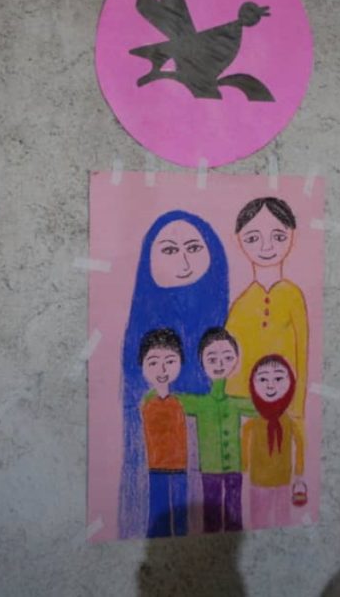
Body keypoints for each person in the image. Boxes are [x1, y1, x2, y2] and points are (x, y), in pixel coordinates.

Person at [119, 211, 230, 538]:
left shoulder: (223, 319)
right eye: (169, 250)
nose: (184, 262)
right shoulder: (141, 327)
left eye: (194, 248)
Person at [225, 197, 309, 420]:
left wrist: (296, 411)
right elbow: (232, 365)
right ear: (238, 240)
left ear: (292, 235)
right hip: (245, 409)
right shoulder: (240, 305)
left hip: (285, 407)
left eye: (278, 236)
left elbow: (302, 356)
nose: (266, 247)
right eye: (253, 238)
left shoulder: (293, 296)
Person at [178, 328, 256, 533]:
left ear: (236, 359)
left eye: (227, 357)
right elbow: (175, 402)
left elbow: (261, 407)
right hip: (210, 469)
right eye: (212, 359)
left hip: (234, 468)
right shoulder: (200, 403)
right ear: (202, 362)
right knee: (211, 520)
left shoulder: (236, 402)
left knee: (234, 516)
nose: (220, 364)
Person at [242, 355, 304, 529]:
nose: (270, 385)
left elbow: (299, 444)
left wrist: (299, 471)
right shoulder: (252, 423)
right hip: (258, 481)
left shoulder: (289, 422)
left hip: (283, 480)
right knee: (258, 520)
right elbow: (244, 442)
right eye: (263, 379)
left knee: (282, 519)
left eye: (278, 378)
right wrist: (243, 467)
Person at [139, 328, 190, 537]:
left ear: (180, 363)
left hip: (180, 467)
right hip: (155, 467)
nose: (162, 369)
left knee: (181, 517)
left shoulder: (181, 403)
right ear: (143, 365)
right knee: (158, 513)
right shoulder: (146, 404)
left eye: (170, 361)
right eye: (153, 363)